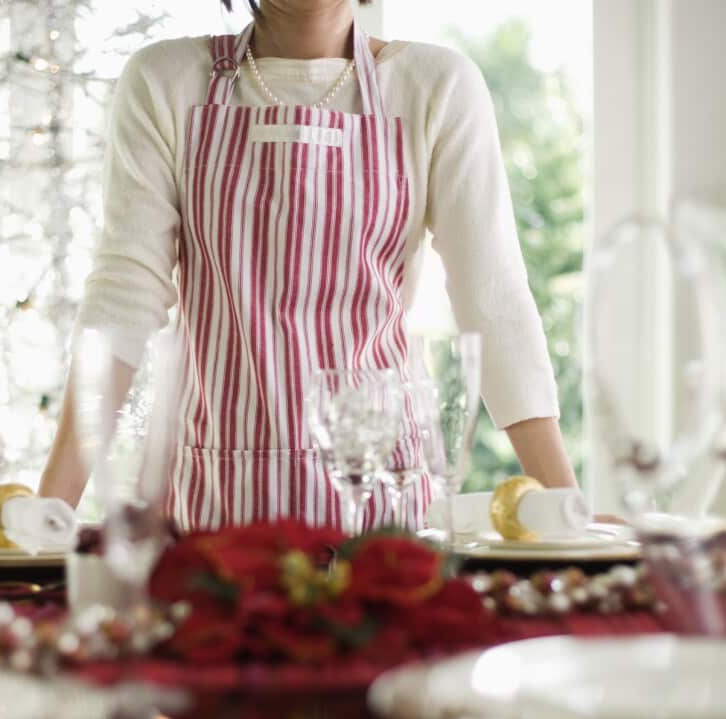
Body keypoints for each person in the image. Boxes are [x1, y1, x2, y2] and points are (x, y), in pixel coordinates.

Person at [40, 0, 577, 532]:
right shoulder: (165, 80)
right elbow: (125, 292)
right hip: (211, 507)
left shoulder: (435, 84)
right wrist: (50, 515)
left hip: (382, 507)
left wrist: (568, 512)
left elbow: (492, 298)